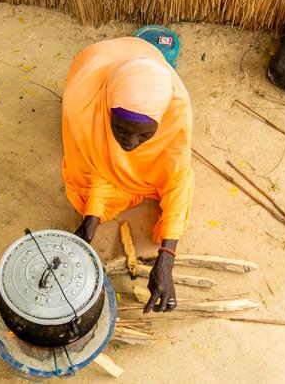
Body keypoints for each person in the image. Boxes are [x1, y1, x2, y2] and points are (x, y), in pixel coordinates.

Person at [61, 36, 194, 314]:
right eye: (121, 130)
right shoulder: (84, 104)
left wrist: (167, 257)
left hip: (145, 56)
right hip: (97, 59)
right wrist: (91, 218)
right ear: (107, 109)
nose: (131, 144)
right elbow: (97, 163)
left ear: (161, 122)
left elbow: (178, 180)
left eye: (145, 135)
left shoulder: (176, 113)